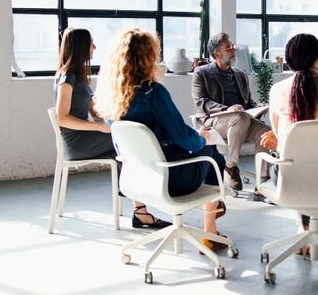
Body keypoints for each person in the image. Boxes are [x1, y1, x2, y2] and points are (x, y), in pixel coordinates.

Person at [95, 29, 229, 251]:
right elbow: (184, 139)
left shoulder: (111, 98)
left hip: (136, 178)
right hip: (169, 178)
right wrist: (202, 138)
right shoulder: (152, 93)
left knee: (201, 150)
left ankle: (213, 211)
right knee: (213, 153)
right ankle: (210, 230)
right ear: (148, 57)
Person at [54, 28, 169, 230]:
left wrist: (112, 116)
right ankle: (142, 205)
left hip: (86, 136)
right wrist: (98, 127)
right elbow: (62, 118)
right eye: (91, 43)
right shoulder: (66, 78)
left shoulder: (79, 77)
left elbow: (94, 111)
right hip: (77, 143)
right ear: (81, 47)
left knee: (124, 144)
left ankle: (139, 209)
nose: (94, 47)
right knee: (129, 143)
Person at [261, 34, 318, 241]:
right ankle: (305, 228)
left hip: (290, 178)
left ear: (289, 62)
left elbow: (280, 134)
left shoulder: (277, 90)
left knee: (291, 157)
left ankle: (303, 228)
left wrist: (278, 139)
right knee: (311, 156)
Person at [192, 32, 271, 192]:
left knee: (266, 133)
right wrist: (227, 109)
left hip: (241, 119)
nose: (234, 49)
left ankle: (262, 184)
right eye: (228, 47)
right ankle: (231, 166)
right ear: (217, 53)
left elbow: (248, 103)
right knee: (239, 118)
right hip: (214, 121)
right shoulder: (202, 73)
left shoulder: (240, 75)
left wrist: (259, 107)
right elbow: (201, 102)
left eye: (233, 45)